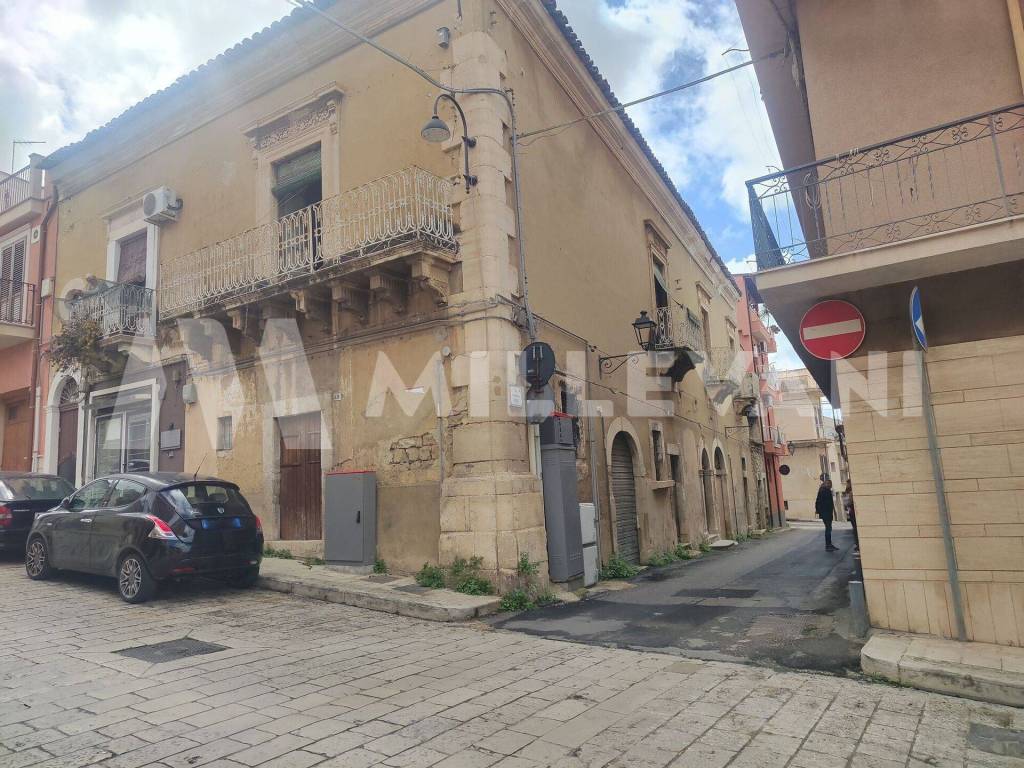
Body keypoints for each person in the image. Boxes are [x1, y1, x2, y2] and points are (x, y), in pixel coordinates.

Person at [815, 477, 837, 551]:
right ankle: (828, 545)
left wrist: (819, 511)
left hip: (825, 513)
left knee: (828, 528)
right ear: (827, 484)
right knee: (828, 529)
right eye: (830, 484)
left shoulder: (822, 491)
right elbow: (827, 503)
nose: (831, 485)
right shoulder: (825, 491)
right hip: (826, 513)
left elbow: (817, 502)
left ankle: (829, 544)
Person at [842, 479, 858, 552]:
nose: (847, 485)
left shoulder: (849, 492)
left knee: (855, 529)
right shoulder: (848, 492)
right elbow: (846, 502)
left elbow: (847, 502)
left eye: (848, 483)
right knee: (855, 528)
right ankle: (857, 544)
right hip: (852, 511)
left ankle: (857, 544)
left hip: (852, 511)